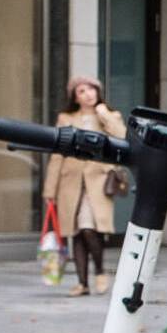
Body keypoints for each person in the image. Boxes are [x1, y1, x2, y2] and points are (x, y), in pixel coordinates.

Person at [44, 77, 128, 296]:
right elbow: (57, 154)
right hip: (70, 182)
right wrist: (49, 190)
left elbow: (122, 136)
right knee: (77, 233)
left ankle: (100, 271)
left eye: (91, 89)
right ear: (75, 97)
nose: (88, 93)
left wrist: (102, 112)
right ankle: (82, 283)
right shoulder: (66, 118)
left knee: (90, 228)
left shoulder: (110, 115)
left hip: (98, 183)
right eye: (82, 90)